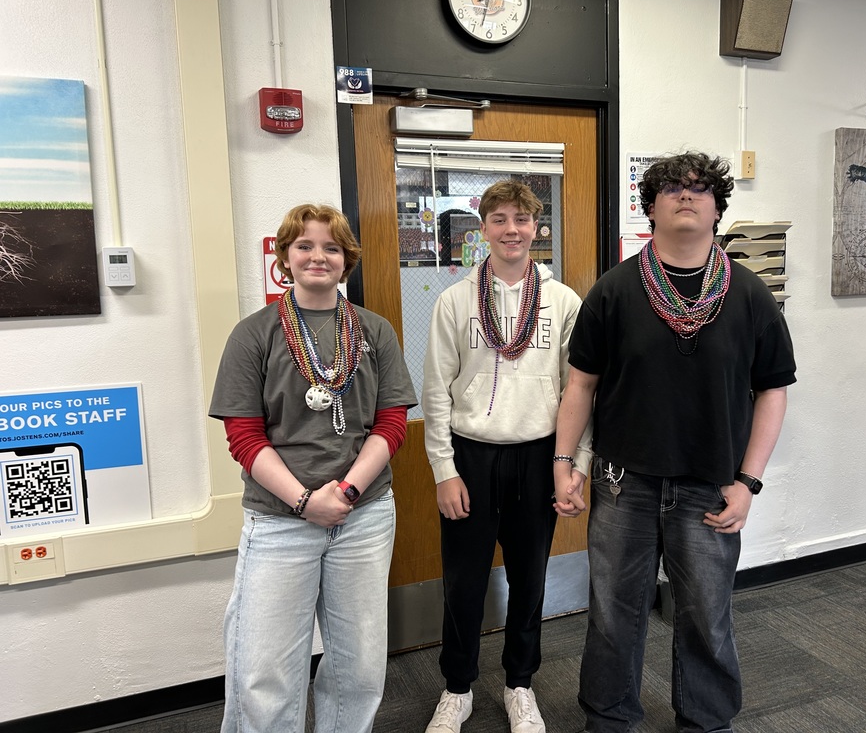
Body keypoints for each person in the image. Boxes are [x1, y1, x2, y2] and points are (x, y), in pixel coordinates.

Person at [554, 152, 796, 733]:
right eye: (671, 188)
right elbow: (580, 384)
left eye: (698, 189)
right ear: (651, 207)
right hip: (623, 485)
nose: (685, 196)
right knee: (614, 614)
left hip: (710, 488)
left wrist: (749, 482)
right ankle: (609, 718)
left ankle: (706, 721)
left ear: (717, 208)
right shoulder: (613, 291)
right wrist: (565, 463)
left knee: (707, 616)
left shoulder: (749, 296)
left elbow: (773, 392)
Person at [210, 203, 417, 733]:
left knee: (359, 665)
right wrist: (305, 502)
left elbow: (391, 424)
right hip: (280, 520)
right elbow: (244, 437)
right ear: (284, 257)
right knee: (266, 669)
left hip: (363, 517)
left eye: (331, 247)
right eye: (304, 246)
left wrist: (344, 493)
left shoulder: (375, 331)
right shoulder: (253, 335)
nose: (317, 256)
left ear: (347, 260)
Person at [421, 180, 591, 733]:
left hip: (539, 455)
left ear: (537, 228)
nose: (511, 229)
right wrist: (445, 471)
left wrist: (576, 464)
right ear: (483, 227)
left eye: (522, 219)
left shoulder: (564, 301)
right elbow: (436, 390)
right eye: (499, 218)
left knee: (530, 579)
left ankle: (520, 684)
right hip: (472, 458)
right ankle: (457, 687)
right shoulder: (454, 300)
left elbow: (581, 390)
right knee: (463, 581)